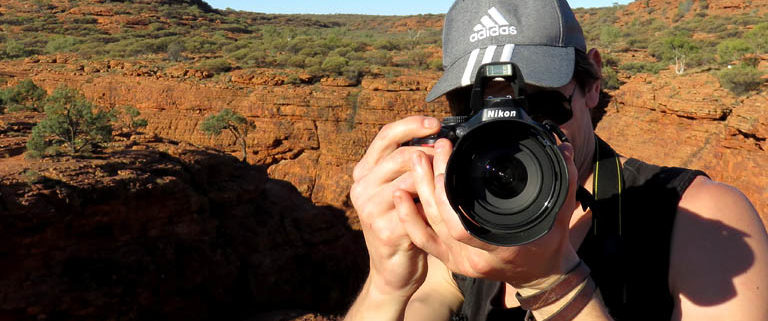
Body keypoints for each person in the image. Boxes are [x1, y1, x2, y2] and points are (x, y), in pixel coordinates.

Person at [344, 0, 768, 320]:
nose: (512, 129)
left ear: (592, 85)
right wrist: (386, 286)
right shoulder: (467, 215)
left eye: (541, 102)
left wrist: (549, 281)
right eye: (474, 107)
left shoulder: (698, 220)